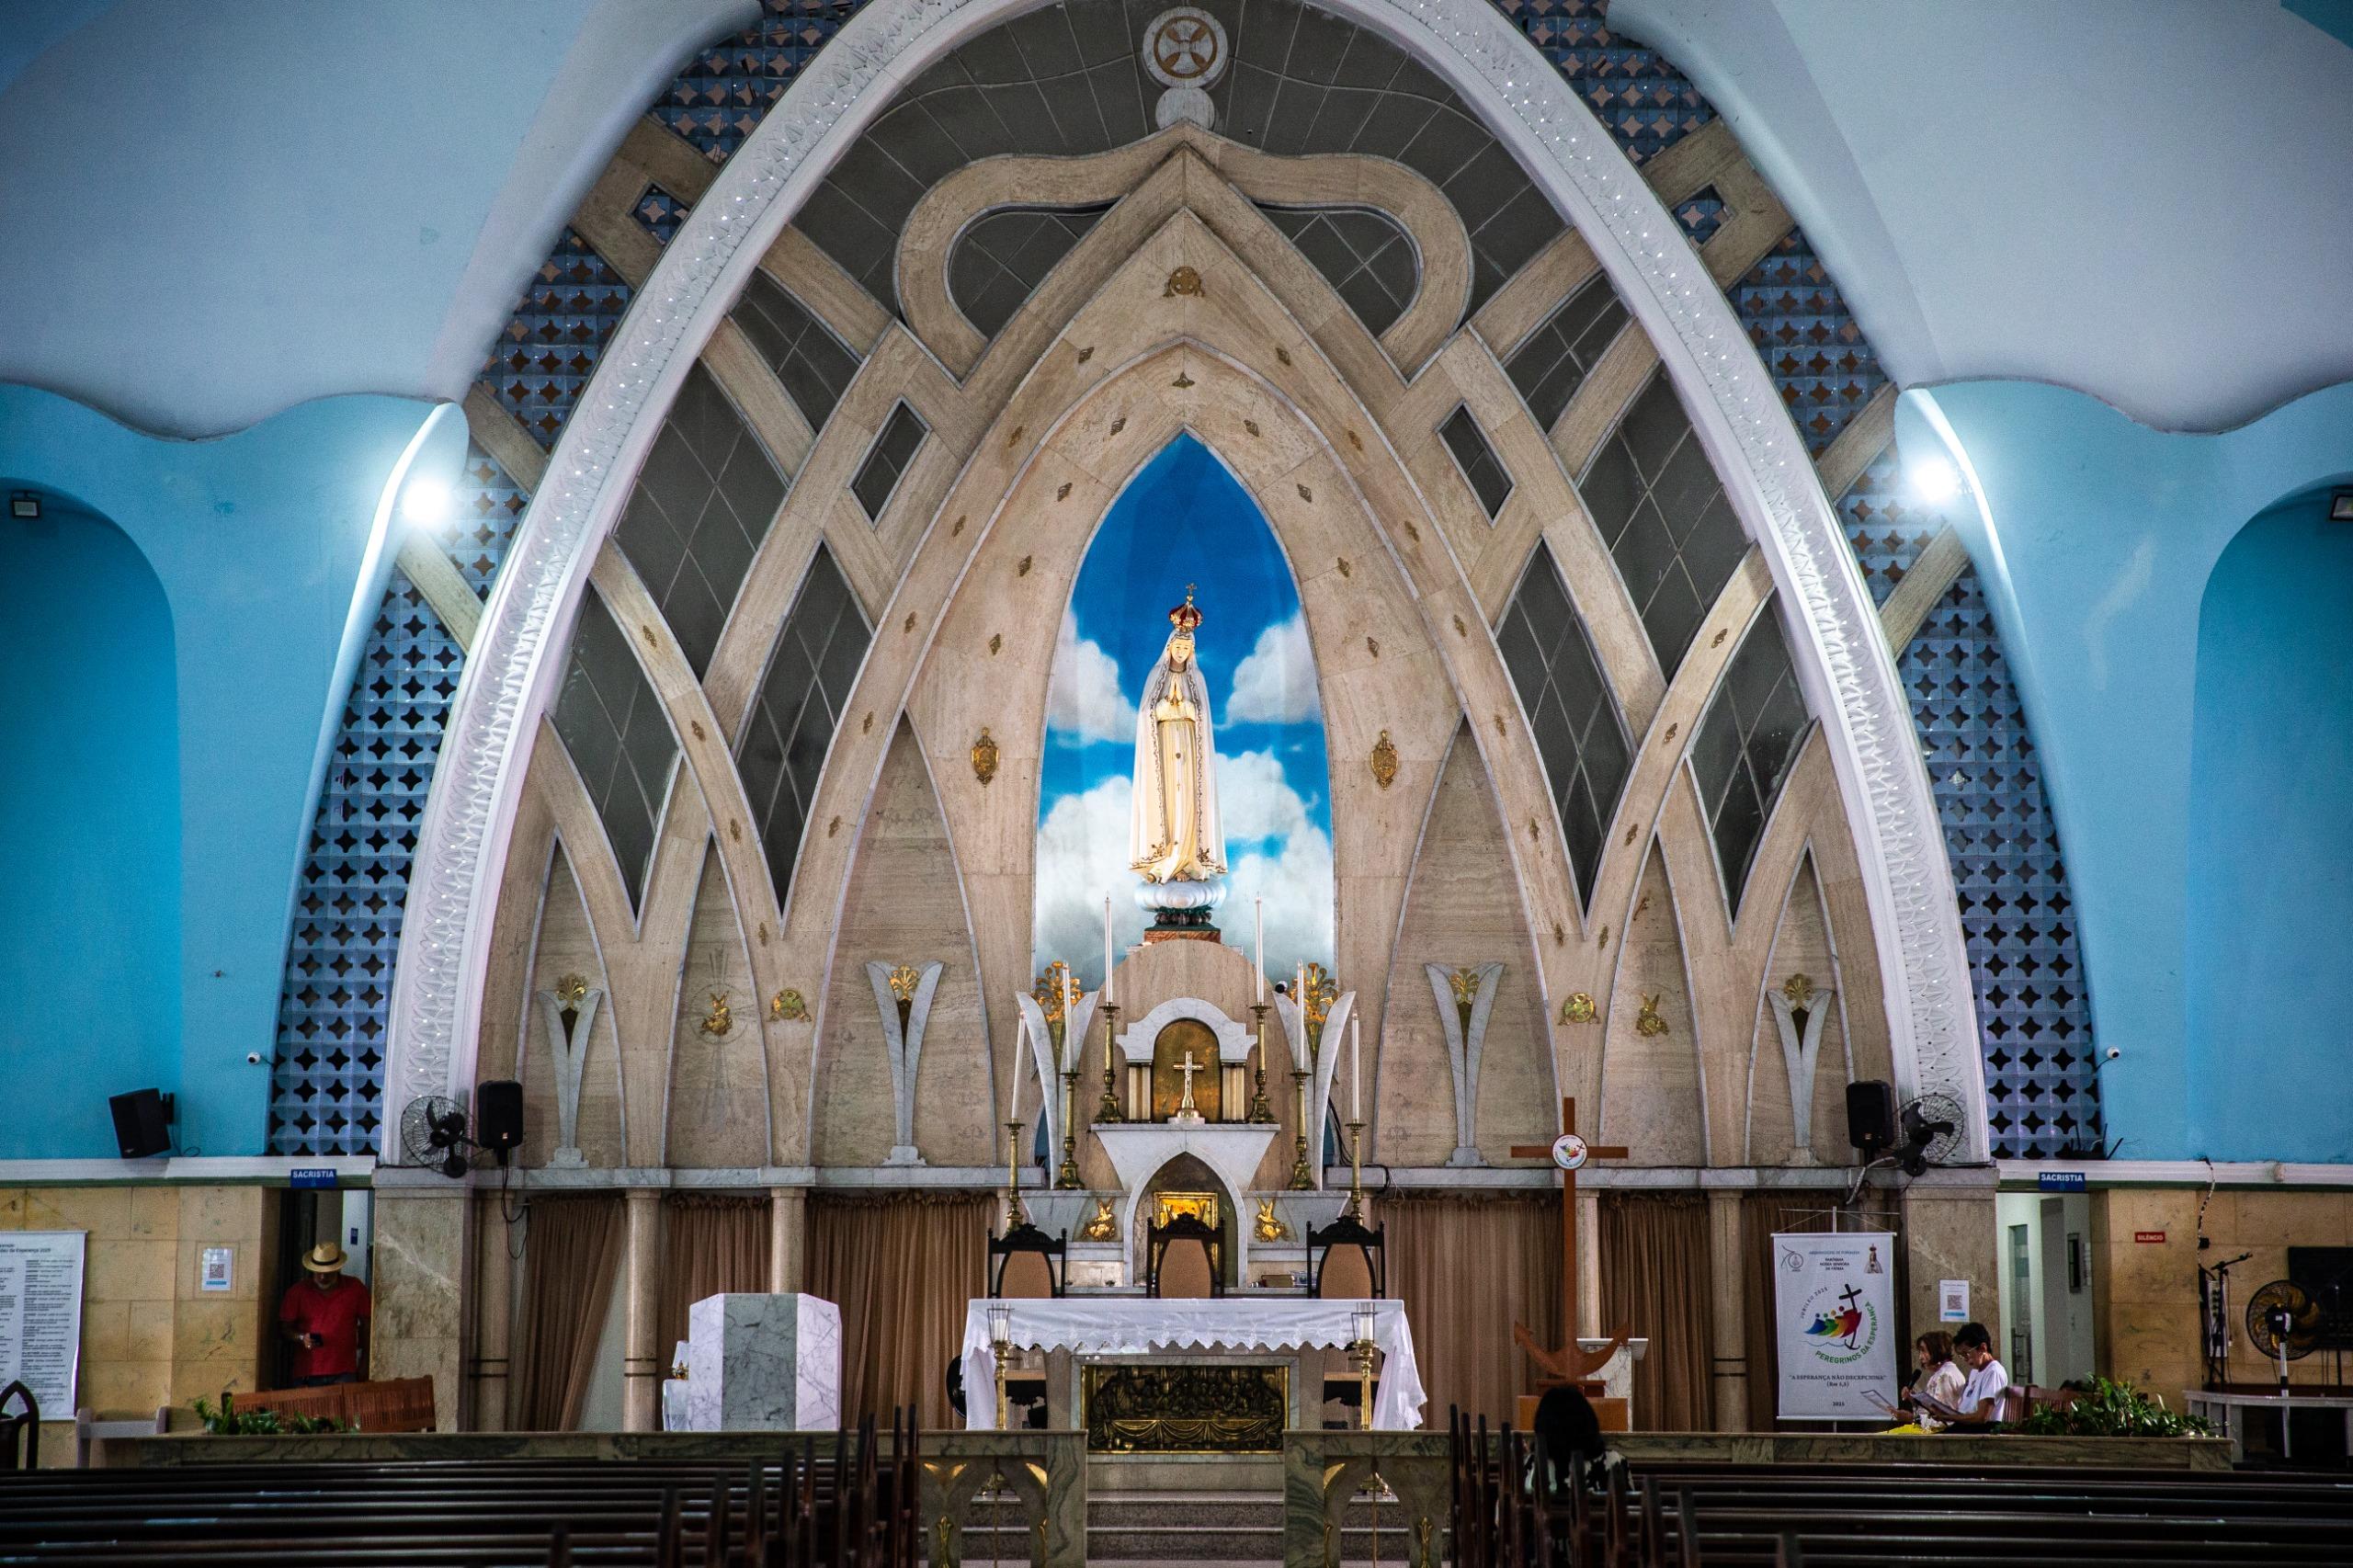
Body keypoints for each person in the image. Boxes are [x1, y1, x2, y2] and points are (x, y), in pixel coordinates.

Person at [278, 1242, 370, 1388]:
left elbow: (367, 1326)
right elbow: (284, 1329)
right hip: (307, 1371)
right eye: (318, 1272)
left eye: (327, 1273)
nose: (322, 1277)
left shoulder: (355, 1289)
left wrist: (365, 1361)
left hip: (344, 1370)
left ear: (337, 1269)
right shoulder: (297, 1292)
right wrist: (302, 1337)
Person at [1940, 1322, 2011, 1429]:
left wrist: (1950, 1417)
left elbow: (1982, 1417)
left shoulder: (1993, 1372)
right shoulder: (1975, 1372)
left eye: (1966, 1354)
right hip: (1964, 1426)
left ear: (1983, 1348)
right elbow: (1965, 1408)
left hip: (1982, 1430)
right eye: (1961, 1356)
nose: (1965, 1359)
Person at [1899, 1331, 1966, 1431]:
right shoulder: (1940, 1374)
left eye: (1923, 1351)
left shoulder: (1945, 1376)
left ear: (1936, 1351)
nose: (1920, 1357)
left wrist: (1912, 1418)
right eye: (1919, 1352)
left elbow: (1944, 1421)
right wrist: (1913, 1400)